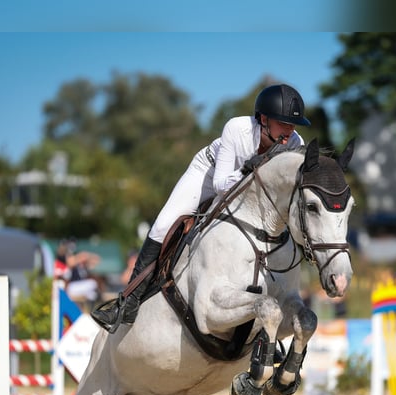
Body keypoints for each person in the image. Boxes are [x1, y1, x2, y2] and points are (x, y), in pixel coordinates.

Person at [91, 83, 311, 331]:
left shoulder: (294, 142)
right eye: (283, 123)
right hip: (208, 174)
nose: (290, 130)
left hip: (252, 194)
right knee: (164, 224)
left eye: (293, 124)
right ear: (263, 119)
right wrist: (253, 168)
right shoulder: (237, 129)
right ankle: (128, 300)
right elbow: (220, 184)